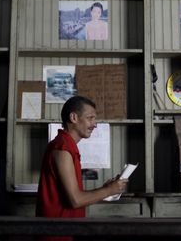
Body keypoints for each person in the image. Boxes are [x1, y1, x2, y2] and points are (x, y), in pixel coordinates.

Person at [36, 96, 127, 232]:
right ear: (73, 118)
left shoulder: (68, 146)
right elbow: (75, 200)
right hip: (56, 235)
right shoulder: (62, 148)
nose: (94, 124)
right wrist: (109, 190)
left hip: (65, 231)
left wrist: (106, 189)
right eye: (90, 118)